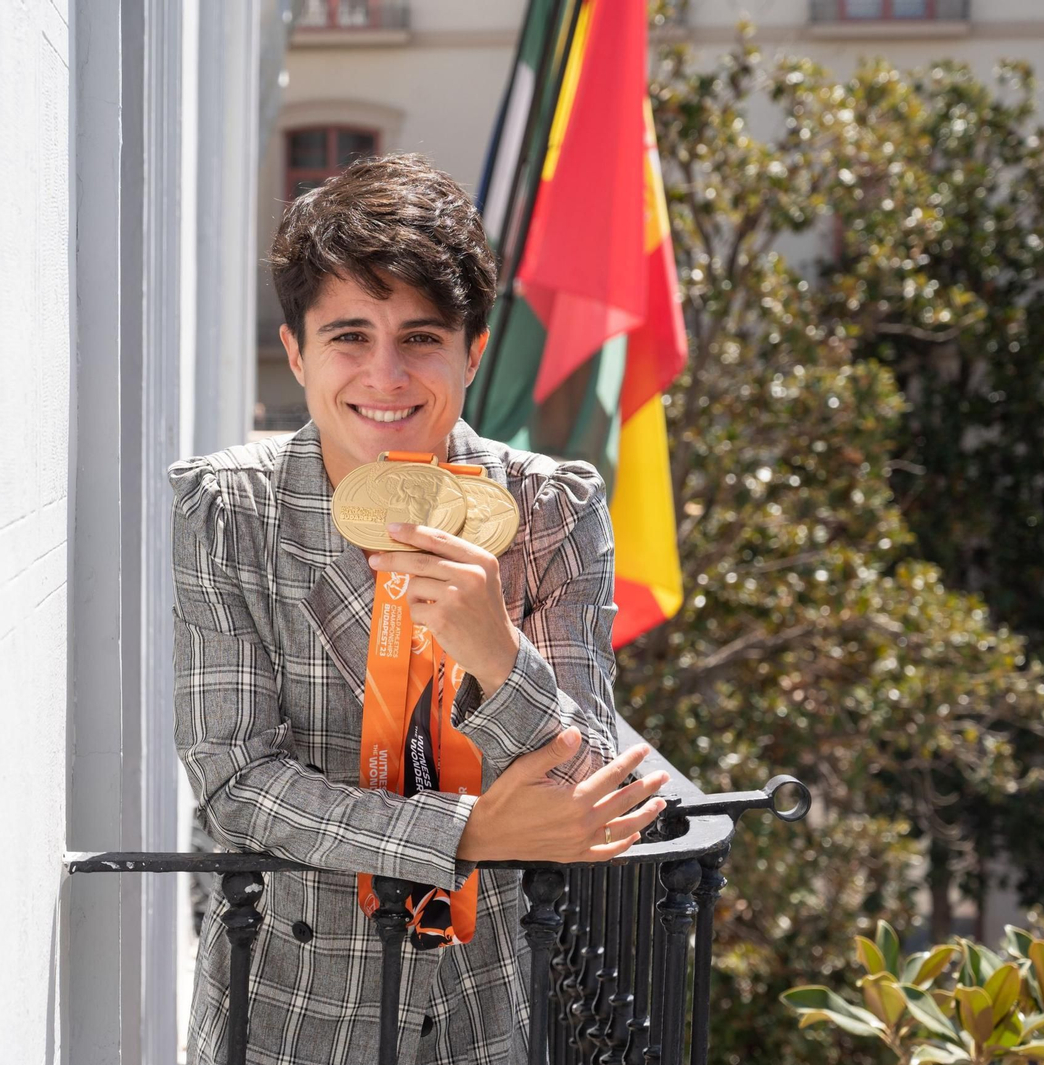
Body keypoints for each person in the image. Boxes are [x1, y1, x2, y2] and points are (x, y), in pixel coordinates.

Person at [168, 153, 670, 1065]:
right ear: (296, 352)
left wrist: (499, 656)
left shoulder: (551, 510)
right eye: (350, 336)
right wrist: (466, 832)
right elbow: (235, 783)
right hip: (283, 1007)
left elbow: (586, 784)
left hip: (477, 1009)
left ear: (473, 349)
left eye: (423, 337)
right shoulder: (228, 509)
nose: (386, 375)